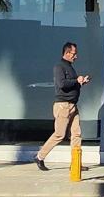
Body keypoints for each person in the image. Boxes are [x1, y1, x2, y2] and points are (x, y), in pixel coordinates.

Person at [33, 41, 88, 171]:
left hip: (73, 105)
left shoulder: (69, 67)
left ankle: (75, 164)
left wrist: (81, 82)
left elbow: (71, 84)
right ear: (67, 53)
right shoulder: (59, 67)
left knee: (76, 134)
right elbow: (62, 84)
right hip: (63, 106)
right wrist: (76, 80)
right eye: (74, 53)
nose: (76, 56)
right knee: (59, 134)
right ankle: (39, 157)